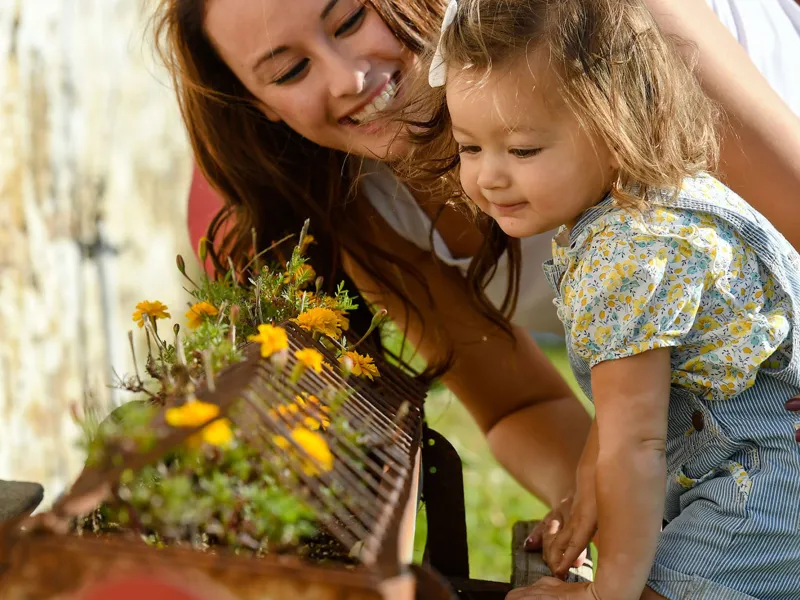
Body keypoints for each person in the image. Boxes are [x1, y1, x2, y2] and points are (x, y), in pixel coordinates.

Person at [158, 0, 800, 527]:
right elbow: (515, 403)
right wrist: (601, 514)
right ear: (257, 102)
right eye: (289, 70)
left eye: (351, 19)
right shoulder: (356, 206)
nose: (347, 77)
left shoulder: (611, 26)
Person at [414, 0, 800, 598]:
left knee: (669, 588)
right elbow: (630, 407)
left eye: (521, 151)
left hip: (774, 476)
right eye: (470, 147)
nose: (490, 176)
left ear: (615, 125)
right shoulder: (655, 195)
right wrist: (588, 488)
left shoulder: (626, 256)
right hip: (751, 452)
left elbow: (635, 447)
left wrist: (607, 594)